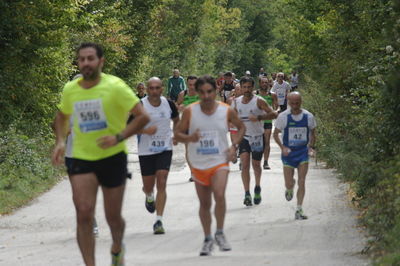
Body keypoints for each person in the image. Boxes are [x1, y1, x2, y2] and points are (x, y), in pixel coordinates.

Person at [51, 42, 150, 266]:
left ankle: (117, 247)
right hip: (80, 156)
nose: (86, 63)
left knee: (113, 218)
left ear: (100, 61)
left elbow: (142, 117)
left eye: (90, 58)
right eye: (81, 59)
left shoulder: (116, 86)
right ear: (78, 62)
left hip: (112, 156)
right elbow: (61, 116)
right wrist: (59, 141)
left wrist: (118, 137)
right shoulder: (71, 89)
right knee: (84, 212)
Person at [174, 75, 245, 256]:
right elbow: (177, 135)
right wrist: (190, 138)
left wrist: (234, 145)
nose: (206, 96)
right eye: (202, 92)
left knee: (219, 194)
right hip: (199, 162)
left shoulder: (225, 110)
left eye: (210, 92)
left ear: (215, 91)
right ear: (197, 93)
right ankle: (207, 238)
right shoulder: (190, 111)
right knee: (204, 203)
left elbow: (240, 126)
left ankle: (220, 232)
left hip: (219, 160)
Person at [138, 77, 179, 234]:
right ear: (147, 90)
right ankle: (149, 195)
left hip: (164, 148)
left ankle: (159, 220)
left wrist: (176, 133)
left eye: (157, 88)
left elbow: (176, 120)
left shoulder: (168, 104)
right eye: (151, 88)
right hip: (146, 150)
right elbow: (129, 126)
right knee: (149, 186)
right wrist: (144, 130)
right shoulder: (140, 105)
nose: (154, 91)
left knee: (161, 181)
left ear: (162, 89)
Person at [232, 77, 278, 206]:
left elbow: (274, 114)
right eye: (244, 87)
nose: (246, 90)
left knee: (256, 165)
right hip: (244, 137)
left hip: (258, 137)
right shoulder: (236, 102)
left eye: (249, 87)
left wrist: (259, 117)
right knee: (245, 165)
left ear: (253, 87)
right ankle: (247, 193)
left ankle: (257, 187)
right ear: (240, 88)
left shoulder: (259, 101)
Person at [273, 92, 316, 220]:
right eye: (292, 103)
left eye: (297, 103)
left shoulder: (308, 116)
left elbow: (313, 133)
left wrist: (311, 147)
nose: (295, 105)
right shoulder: (283, 116)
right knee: (289, 182)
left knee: (302, 181)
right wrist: (283, 147)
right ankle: (289, 188)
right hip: (289, 154)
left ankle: (299, 209)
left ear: (301, 101)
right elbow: (275, 134)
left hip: (303, 152)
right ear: (288, 102)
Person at [176, 75, 199, 181]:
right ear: (187, 84)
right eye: (190, 84)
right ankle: (192, 173)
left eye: (194, 84)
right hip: (187, 125)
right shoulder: (183, 94)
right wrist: (179, 107)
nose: (192, 87)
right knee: (189, 150)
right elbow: (176, 107)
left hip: (199, 126)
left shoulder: (201, 94)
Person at [258, 77, 277, 170]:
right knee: (258, 143)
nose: (264, 84)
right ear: (259, 84)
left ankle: (265, 162)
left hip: (268, 121)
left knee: (266, 142)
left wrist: (275, 111)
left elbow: (278, 107)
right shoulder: (255, 94)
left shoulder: (272, 95)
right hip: (257, 122)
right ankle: (256, 160)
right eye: (263, 82)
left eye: (266, 82)